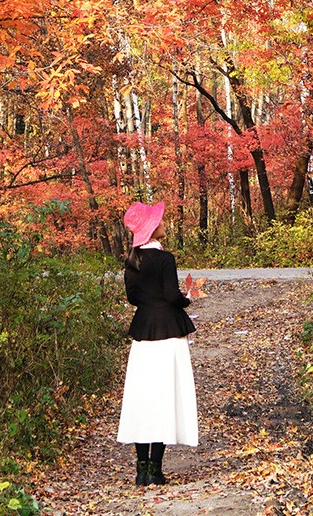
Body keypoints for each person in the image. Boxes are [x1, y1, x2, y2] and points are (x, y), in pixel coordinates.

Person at [116, 200, 199, 486]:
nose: (164, 223)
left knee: (142, 398)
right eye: (160, 221)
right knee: (166, 396)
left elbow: (133, 299)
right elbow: (172, 295)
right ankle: (156, 470)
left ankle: (141, 471)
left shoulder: (132, 260)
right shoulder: (166, 259)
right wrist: (189, 297)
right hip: (168, 334)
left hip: (143, 334)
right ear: (153, 230)